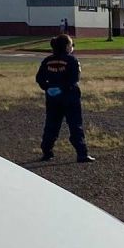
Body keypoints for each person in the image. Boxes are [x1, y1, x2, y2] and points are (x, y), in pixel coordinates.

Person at [36, 34, 95, 163]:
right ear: (67, 47)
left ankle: (47, 151)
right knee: (75, 125)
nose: (72, 47)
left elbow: (39, 78)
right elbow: (74, 79)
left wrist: (47, 88)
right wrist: (63, 88)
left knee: (51, 125)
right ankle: (81, 153)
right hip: (70, 98)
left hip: (52, 98)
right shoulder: (72, 60)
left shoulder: (47, 61)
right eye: (71, 44)